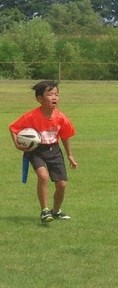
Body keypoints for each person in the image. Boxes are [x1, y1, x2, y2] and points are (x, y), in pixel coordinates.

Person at [8, 80, 77, 225]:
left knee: (62, 184)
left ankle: (56, 211)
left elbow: (64, 136)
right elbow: (13, 128)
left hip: (54, 150)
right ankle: (45, 211)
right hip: (36, 151)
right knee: (43, 176)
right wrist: (18, 145)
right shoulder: (31, 116)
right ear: (39, 99)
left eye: (56, 94)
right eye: (50, 94)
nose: (54, 97)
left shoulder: (61, 117)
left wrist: (70, 154)